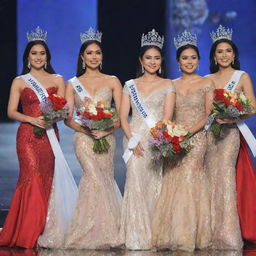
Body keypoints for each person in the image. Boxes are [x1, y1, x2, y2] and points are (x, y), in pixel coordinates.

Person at [0, 27, 65, 248]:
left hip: (49, 135)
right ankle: (27, 233)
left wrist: (53, 117)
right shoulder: (20, 80)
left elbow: (64, 109)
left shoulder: (58, 79)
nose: (38, 57)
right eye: (34, 53)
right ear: (27, 56)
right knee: (32, 179)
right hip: (27, 136)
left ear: (47, 57)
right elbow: (11, 112)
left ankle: (44, 231)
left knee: (47, 179)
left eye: (42, 53)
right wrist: (31, 119)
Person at [152, 31, 213, 251]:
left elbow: (209, 115)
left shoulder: (207, 83)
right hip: (174, 139)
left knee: (189, 178)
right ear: (178, 61)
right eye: (185, 58)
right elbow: (166, 113)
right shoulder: (170, 84)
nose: (189, 61)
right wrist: (172, 134)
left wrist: (188, 133)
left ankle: (189, 234)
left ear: (199, 60)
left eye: (193, 57)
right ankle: (170, 232)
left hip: (197, 138)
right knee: (173, 179)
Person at [64, 27, 123, 249]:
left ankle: (108, 229)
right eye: (89, 53)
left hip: (106, 138)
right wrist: (86, 129)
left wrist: (107, 130)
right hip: (84, 138)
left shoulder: (113, 81)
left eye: (97, 52)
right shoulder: (72, 84)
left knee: (105, 179)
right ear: (82, 57)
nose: (94, 56)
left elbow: (120, 116)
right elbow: (67, 119)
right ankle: (86, 230)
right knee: (92, 177)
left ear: (102, 56)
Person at [119, 29, 176, 250]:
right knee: (135, 182)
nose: (152, 62)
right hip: (134, 139)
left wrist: (157, 138)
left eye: (156, 58)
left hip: (155, 141)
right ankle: (135, 235)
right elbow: (124, 117)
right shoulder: (129, 84)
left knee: (155, 185)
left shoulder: (168, 84)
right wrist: (132, 139)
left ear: (161, 61)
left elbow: (167, 118)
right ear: (141, 61)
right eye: (148, 58)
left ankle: (154, 234)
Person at [205, 25, 256, 249]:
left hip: (231, 136)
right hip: (210, 135)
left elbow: (252, 107)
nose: (224, 55)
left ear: (234, 54)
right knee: (208, 177)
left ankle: (227, 232)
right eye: (219, 51)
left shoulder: (241, 76)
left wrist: (233, 116)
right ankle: (207, 230)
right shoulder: (206, 78)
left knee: (226, 176)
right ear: (214, 56)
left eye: (228, 51)